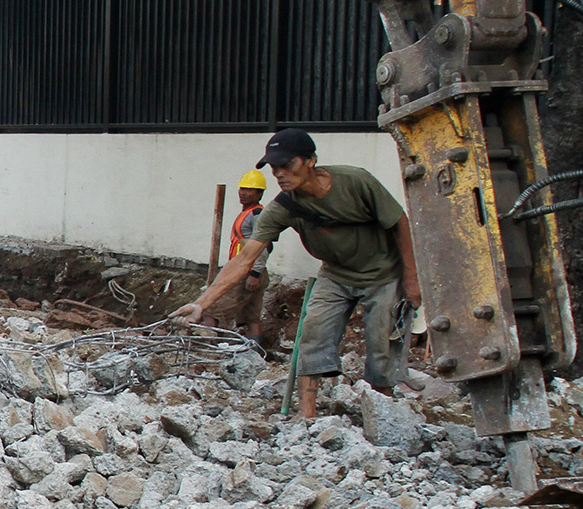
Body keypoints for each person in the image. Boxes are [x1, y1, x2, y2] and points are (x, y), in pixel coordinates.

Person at [172, 128, 419, 418]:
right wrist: (203, 302)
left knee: (382, 345)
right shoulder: (282, 208)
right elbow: (245, 259)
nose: (279, 174)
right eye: (274, 168)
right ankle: (306, 415)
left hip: (384, 274)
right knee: (313, 335)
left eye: (286, 165)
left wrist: (412, 278)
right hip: (336, 275)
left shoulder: (355, 181)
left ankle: (383, 416)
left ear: (310, 161)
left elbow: (399, 222)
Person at [226, 170, 272, 345]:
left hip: (247, 271)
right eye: (242, 189)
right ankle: (253, 351)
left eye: (250, 190)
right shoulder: (247, 213)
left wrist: (255, 273)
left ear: (260, 193)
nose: (243, 193)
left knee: (218, 311)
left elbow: (263, 245)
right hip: (241, 269)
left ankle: (214, 352)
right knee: (250, 315)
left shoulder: (257, 215)